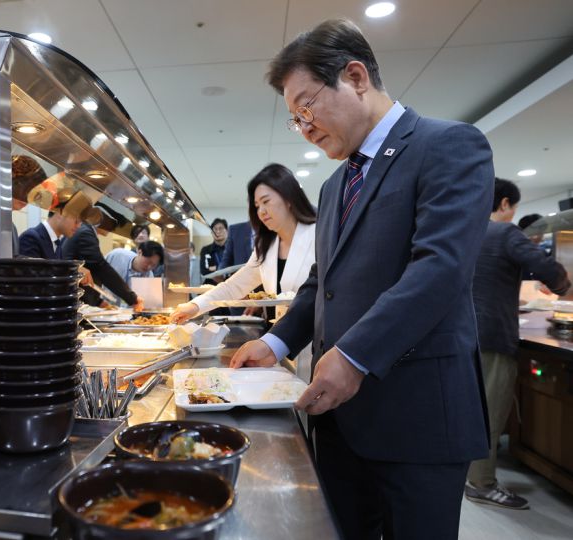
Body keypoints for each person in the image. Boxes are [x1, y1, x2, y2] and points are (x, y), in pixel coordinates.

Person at [229, 19, 493, 540]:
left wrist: (353, 356)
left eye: (307, 107)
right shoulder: (332, 187)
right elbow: (321, 284)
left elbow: (439, 269)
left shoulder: (448, 145)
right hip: (337, 422)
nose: (303, 126)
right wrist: (276, 340)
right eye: (294, 119)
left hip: (416, 418)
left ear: (354, 77)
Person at [465, 179, 569, 509]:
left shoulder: (465, 232)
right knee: (490, 413)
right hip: (494, 334)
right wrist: (563, 286)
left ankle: (468, 473)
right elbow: (548, 269)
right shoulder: (505, 233)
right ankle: (481, 483)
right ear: (506, 203)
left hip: (464, 335)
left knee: (469, 408)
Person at [172, 163, 317, 374]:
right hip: (279, 340)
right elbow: (235, 285)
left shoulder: (318, 233)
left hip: (314, 342)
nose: (262, 211)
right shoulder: (266, 245)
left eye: (266, 202)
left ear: (289, 198)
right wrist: (195, 306)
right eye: (257, 206)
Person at [62, 212, 144, 311]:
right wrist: (132, 298)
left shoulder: (86, 231)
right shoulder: (85, 232)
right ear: (102, 218)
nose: (113, 229)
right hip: (70, 301)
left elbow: (91, 270)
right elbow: (101, 268)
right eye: (113, 224)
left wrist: (98, 302)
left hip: (75, 300)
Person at [199, 218, 228, 284]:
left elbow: (236, 269)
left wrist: (216, 267)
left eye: (220, 228)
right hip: (210, 286)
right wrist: (224, 269)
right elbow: (204, 272)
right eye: (215, 229)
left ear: (227, 231)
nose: (217, 231)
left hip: (230, 286)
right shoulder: (206, 250)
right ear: (212, 232)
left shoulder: (232, 249)